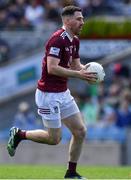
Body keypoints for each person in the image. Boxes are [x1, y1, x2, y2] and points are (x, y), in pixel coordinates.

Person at [7, 5, 97, 179]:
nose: (82, 22)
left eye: (83, 18)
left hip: (63, 93)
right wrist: (78, 74)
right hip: (48, 95)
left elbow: (76, 65)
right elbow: (52, 68)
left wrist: (87, 71)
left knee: (80, 131)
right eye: (79, 19)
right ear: (67, 20)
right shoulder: (57, 39)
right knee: (54, 139)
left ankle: (71, 173)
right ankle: (19, 134)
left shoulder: (74, 40)